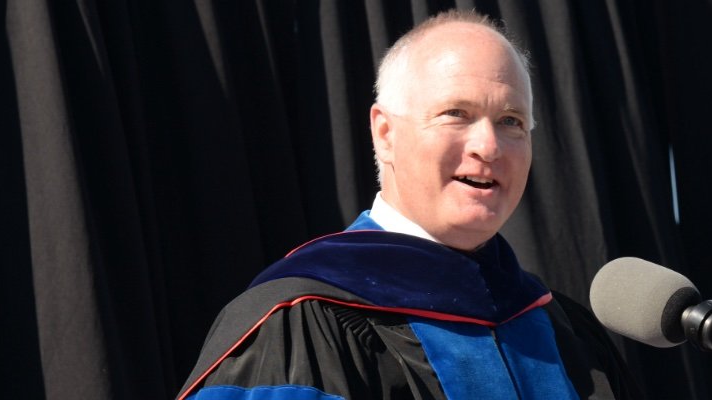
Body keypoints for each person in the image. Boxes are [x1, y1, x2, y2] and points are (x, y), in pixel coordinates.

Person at [176, 10, 640, 400]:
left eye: (511, 120)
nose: (489, 146)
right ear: (385, 134)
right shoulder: (301, 323)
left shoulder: (564, 330)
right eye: (456, 114)